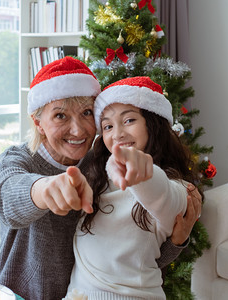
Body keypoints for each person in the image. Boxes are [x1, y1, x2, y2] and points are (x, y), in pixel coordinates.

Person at [0, 58, 201, 300]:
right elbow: (8, 199)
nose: (78, 130)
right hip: (17, 295)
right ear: (38, 123)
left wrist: (175, 241)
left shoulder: (99, 166)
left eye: (86, 113)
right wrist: (45, 189)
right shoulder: (17, 159)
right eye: (60, 116)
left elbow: (127, 254)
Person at [65, 76, 203, 299]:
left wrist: (140, 171)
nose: (117, 134)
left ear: (152, 123)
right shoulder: (94, 176)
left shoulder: (178, 187)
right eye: (108, 126)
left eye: (129, 120)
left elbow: (164, 197)